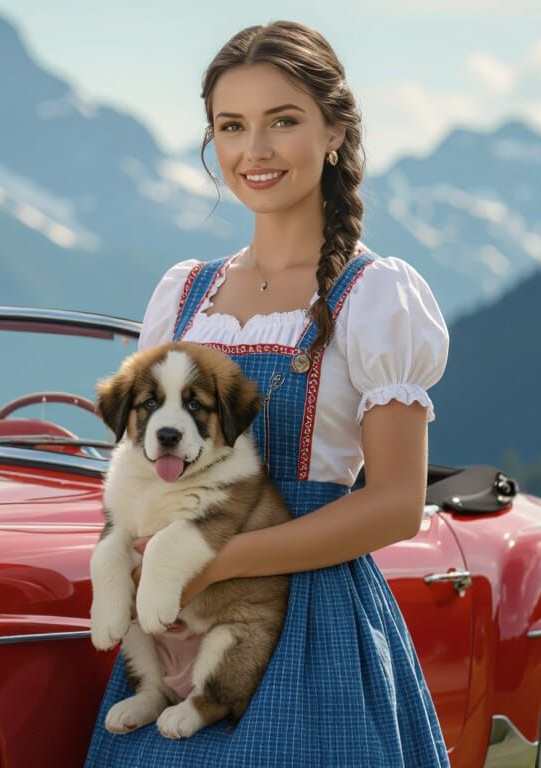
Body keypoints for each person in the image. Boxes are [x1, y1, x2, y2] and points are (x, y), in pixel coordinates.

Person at [83, 20, 452, 766]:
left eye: (282, 121)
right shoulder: (184, 295)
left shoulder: (372, 295)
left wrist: (212, 564)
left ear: (336, 131)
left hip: (309, 625)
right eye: (232, 126)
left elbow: (395, 505)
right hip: (173, 617)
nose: (254, 150)